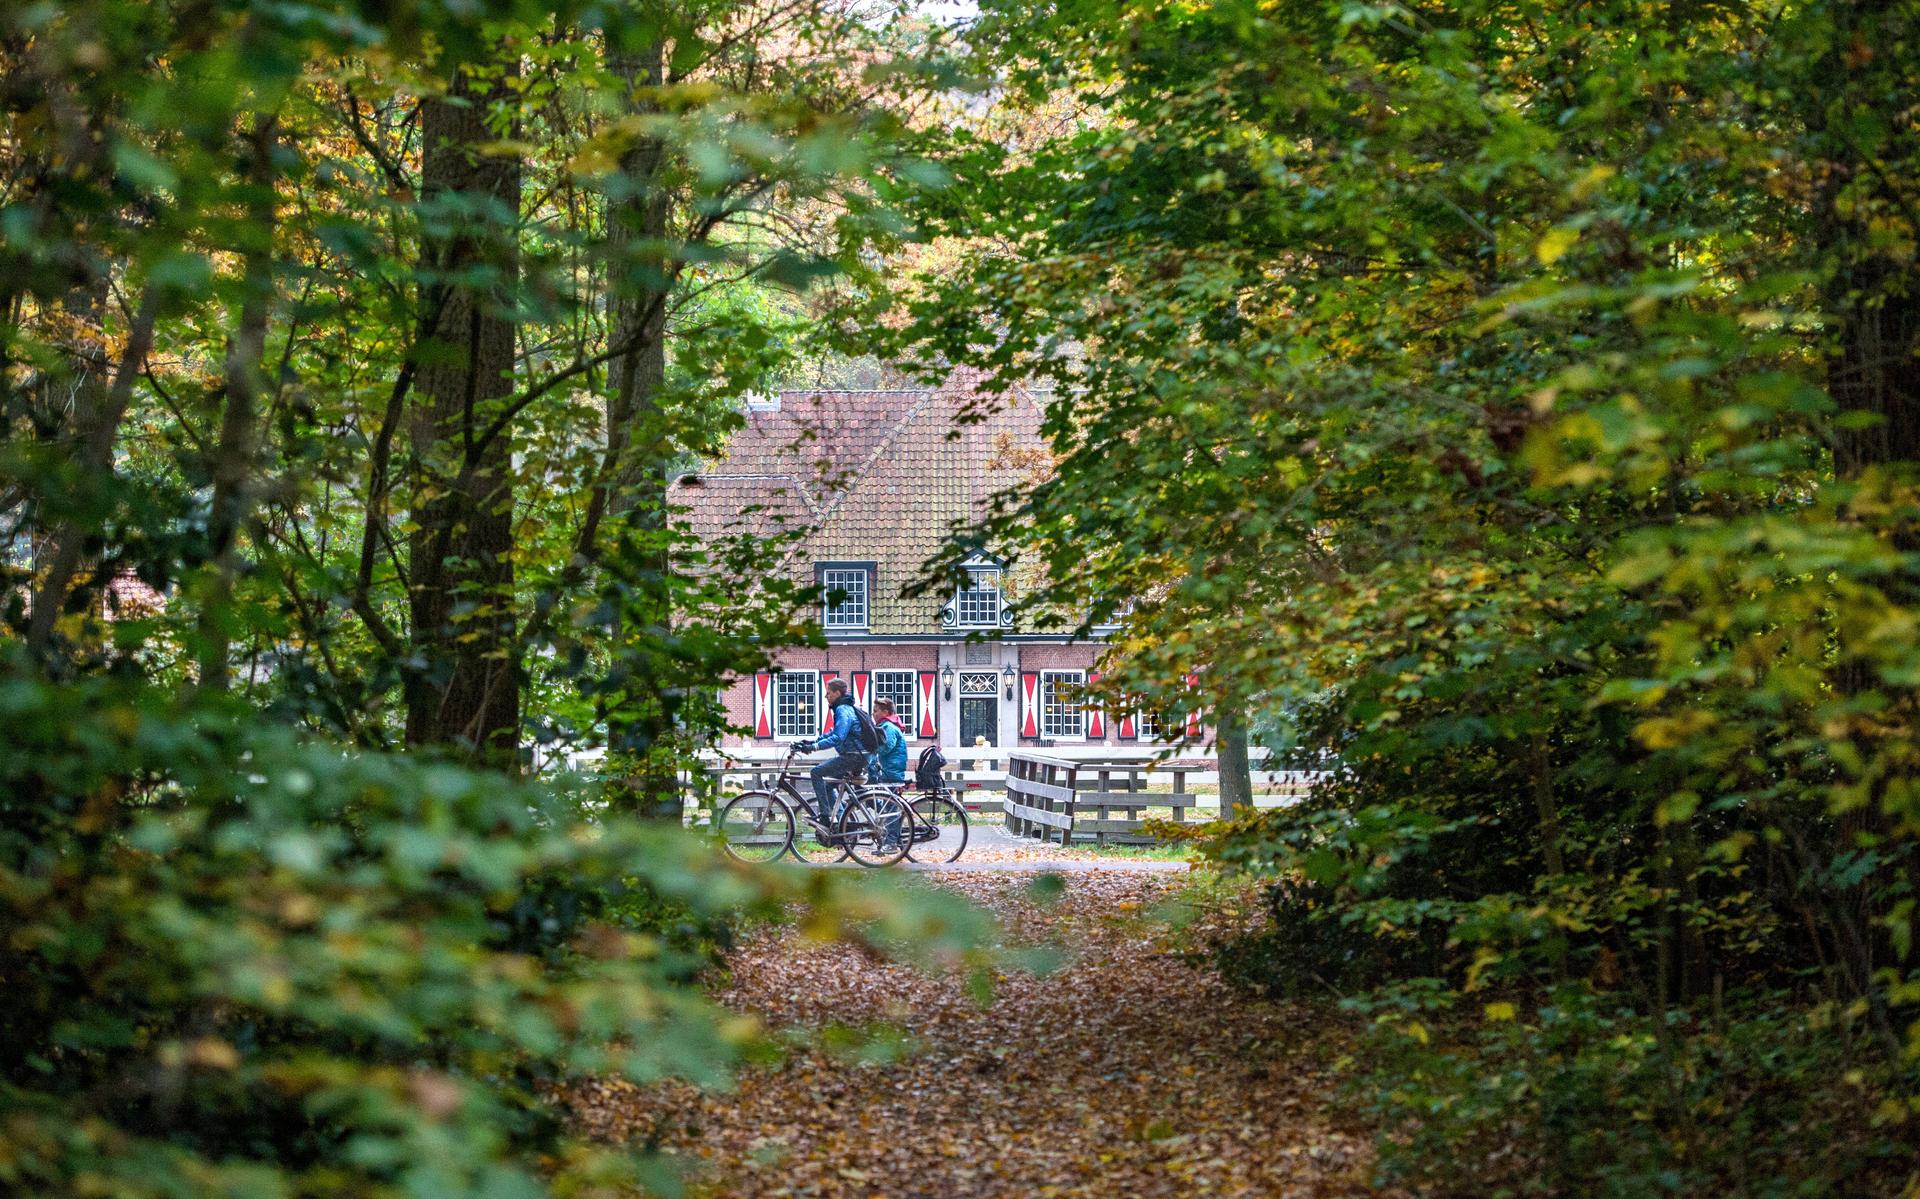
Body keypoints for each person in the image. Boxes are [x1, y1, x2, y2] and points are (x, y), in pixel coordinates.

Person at [794, 678, 867, 832]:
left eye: (828, 693)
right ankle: (842, 823)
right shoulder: (845, 708)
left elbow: (838, 737)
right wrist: (811, 741)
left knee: (816, 772)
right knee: (828, 786)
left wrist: (813, 747)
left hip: (853, 756)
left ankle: (825, 816)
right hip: (856, 755)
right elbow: (833, 733)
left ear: (837, 693)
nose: (826, 696)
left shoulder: (842, 710)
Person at [871, 697, 909, 784]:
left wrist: (871, 749)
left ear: (885, 713)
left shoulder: (889, 727)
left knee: (886, 796)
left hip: (890, 773)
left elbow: (886, 747)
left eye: (875, 711)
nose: (873, 714)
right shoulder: (888, 726)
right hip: (890, 771)